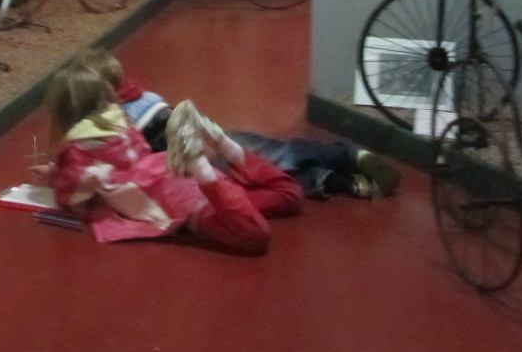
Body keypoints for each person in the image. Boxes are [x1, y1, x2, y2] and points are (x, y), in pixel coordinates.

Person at [41, 65, 303, 252]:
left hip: (182, 202)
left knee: (254, 236)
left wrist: (57, 176)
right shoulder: (122, 121)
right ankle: (227, 147)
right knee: (290, 194)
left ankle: (203, 168)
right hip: (176, 175)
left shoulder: (75, 147)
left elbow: (70, 194)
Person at [81, 50, 400, 200]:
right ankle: (333, 177)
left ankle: (345, 156)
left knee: (269, 159)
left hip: (197, 147)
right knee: (259, 173)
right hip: (199, 148)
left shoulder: (119, 115)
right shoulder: (138, 95)